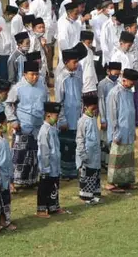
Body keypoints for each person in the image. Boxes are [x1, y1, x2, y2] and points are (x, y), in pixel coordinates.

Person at [8, 60, 46, 190]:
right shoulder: (17, 88)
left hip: (38, 127)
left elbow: (46, 105)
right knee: (19, 156)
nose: (35, 77)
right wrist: (13, 120)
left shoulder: (42, 87)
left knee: (35, 155)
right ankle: (13, 181)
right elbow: (8, 104)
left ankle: (31, 180)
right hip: (22, 126)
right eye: (32, 74)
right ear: (25, 74)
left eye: (37, 74)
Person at [105, 69, 138, 193]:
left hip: (128, 129)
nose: (132, 86)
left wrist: (133, 130)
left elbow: (131, 111)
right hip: (118, 131)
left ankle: (125, 181)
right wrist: (115, 132)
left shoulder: (129, 92)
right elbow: (112, 115)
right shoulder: (115, 93)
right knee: (117, 158)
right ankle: (110, 183)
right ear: (124, 80)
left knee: (128, 158)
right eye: (131, 83)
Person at [54, 47, 84, 180]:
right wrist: (62, 119)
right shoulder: (62, 79)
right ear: (66, 62)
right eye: (74, 62)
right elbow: (59, 100)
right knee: (66, 145)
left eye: (77, 62)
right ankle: (65, 172)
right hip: (66, 116)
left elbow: (80, 95)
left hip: (77, 114)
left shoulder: (77, 75)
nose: (76, 64)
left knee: (76, 144)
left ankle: (74, 169)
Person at [37, 102, 64, 217]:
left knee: (54, 186)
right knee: (44, 188)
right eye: (56, 116)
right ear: (48, 115)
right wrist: (45, 168)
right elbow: (44, 151)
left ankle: (53, 207)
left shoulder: (52, 129)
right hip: (47, 166)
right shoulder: (44, 130)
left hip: (55, 164)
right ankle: (41, 210)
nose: (57, 118)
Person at [76, 94, 101, 204]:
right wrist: (82, 154)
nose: (94, 110)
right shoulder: (82, 121)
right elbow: (80, 138)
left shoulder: (94, 119)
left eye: (95, 108)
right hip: (87, 154)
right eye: (92, 108)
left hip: (95, 153)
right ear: (85, 107)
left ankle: (94, 194)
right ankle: (85, 196)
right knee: (87, 175)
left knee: (95, 173)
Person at [97, 62, 120, 168]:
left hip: (115, 117)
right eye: (115, 74)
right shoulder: (103, 84)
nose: (116, 76)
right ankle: (103, 162)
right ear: (108, 71)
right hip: (106, 116)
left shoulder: (118, 83)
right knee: (105, 141)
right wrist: (103, 119)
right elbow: (101, 102)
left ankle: (109, 161)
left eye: (118, 74)